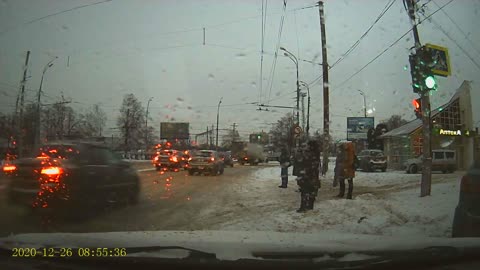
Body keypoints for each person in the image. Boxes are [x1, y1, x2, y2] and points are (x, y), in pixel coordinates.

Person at [296, 140, 321, 212]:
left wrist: (304, 171)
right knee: (311, 190)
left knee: (305, 191)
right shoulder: (316, 153)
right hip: (313, 175)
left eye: (308, 145)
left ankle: (303, 207)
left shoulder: (310, 154)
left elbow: (305, 163)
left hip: (308, 175)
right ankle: (310, 205)